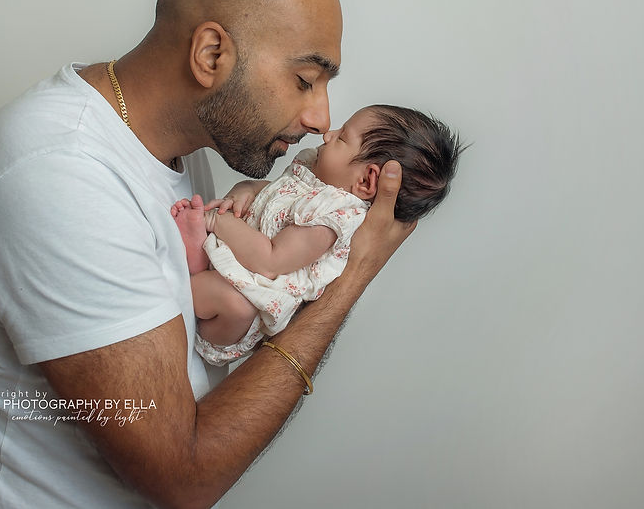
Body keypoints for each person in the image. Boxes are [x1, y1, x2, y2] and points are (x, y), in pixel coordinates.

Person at [0, 0, 415, 509]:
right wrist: (350, 277)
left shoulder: (178, 152)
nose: (321, 117)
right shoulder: (59, 175)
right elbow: (183, 474)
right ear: (211, 55)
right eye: (305, 80)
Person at [171, 105, 463, 366]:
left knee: (234, 303)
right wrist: (245, 191)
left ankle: (185, 278)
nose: (328, 134)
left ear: (366, 180)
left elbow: (271, 259)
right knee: (217, 270)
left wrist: (215, 221)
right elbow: (272, 194)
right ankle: (196, 261)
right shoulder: (313, 175)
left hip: (243, 308)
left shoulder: (331, 220)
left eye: (342, 137)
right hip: (235, 263)